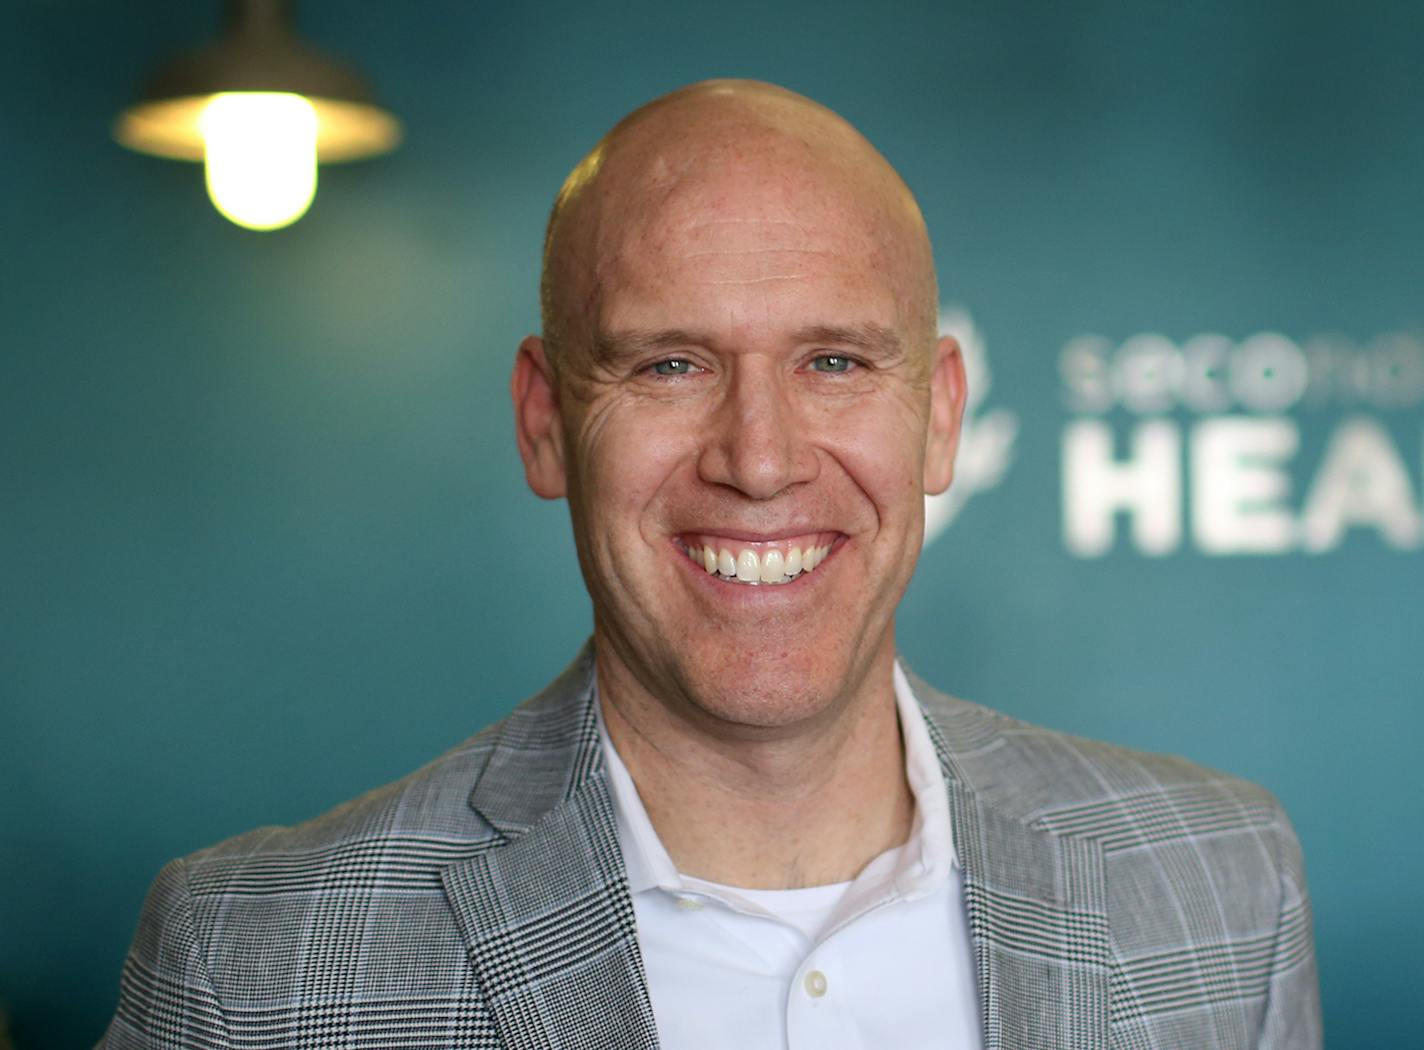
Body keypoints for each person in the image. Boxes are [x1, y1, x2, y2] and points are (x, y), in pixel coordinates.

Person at [101, 80, 1322, 1049]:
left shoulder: (1218, 883)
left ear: (938, 416)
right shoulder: (249, 969)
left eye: (833, 362)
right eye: (669, 364)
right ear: (543, 420)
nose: (757, 457)